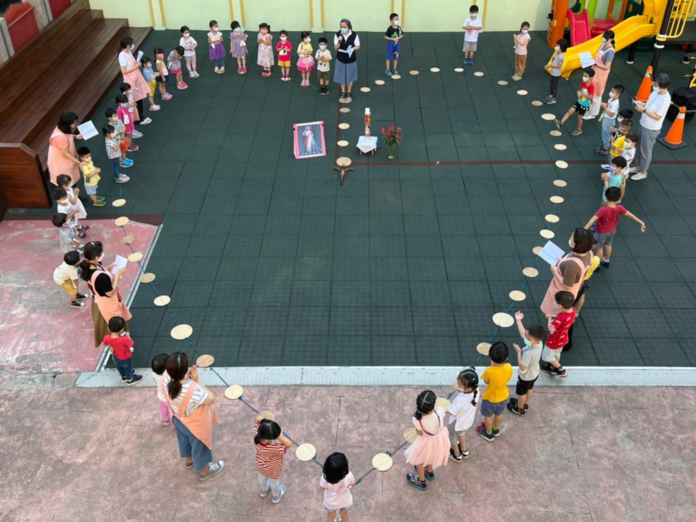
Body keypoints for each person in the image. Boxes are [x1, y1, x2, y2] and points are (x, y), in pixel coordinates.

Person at [163, 352, 225, 480]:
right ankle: (204, 470)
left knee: (184, 440)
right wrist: (197, 380)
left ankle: (189, 460)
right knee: (199, 446)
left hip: (178, 419)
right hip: (194, 424)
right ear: (185, 370)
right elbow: (210, 399)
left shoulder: (165, 379)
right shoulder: (193, 389)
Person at [79, 241, 131, 347]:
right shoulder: (101, 277)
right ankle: (120, 343)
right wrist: (118, 276)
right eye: (101, 254)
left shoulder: (90, 266)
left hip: (98, 300)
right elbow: (110, 293)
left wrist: (108, 268)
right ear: (96, 258)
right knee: (114, 323)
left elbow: (97, 276)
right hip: (107, 304)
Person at [585, 186, 646, 269]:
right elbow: (630, 215)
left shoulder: (603, 210)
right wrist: (640, 222)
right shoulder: (619, 208)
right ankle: (606, 260)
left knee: (599, 247)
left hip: (601, 231)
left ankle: (597, 264)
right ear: (618, 198)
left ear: (606, 197)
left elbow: (592, 220)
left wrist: (584, 229)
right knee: (608, 245)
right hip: (612, 231)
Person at [540, 228, 594, 319]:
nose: (570, 239)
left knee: (555, 316)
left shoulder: (572, 265)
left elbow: (567, 285)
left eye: (572, 238)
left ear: (576, 244)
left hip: (562, 294)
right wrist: (563, 262)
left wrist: (554, 271)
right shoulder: (589, 253)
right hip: (577, 288)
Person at [404, 390, 450, 491]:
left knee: (419, 461)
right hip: (440, 441)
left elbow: (419, 433)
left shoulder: (418, 420)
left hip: (426, 443)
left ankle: (421, 482)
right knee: (431, 456)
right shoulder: (439, 412)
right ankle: (429, 472)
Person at [631, 73, 671, 181]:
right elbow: (649, 104)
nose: (654, 86)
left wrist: (644, 110)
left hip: (651, 128)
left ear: (663, 86)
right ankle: (638, 166)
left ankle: (643, 172)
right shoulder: (655, 92)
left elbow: (658, 117)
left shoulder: (665, 99)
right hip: (643, 123)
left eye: (656, 85)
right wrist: (641, 104)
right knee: (638, 146)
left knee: (645, 150)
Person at [508, 312, 544, 415]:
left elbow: (523, 369)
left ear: (536, 341)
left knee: (521, 393)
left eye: (528, 339)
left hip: (525, 377)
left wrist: (519, 353)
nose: (525, 339)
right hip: (534, 373)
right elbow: (523, 334)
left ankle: (519, 408)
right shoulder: (539, 343)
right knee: (529, 388)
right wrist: (518, 321)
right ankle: (525, 404)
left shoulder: (528, 354)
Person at [476, 342, 513, 442]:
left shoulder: (489, 371)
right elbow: (508, 377)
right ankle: (495, 429)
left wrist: (489, 368)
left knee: (487, 416)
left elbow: (486, 381)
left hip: (490, 398)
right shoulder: (509, 367)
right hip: (503, 396)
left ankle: (488, 433)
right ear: (506, 358)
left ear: (491, 357)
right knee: (499, 414)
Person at [254, 413, 292, 502]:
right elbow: (289, 444)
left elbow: (258, 418)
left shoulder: (257, 433)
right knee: (274, 481)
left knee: (261, 478)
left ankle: (264, 491)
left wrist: (266, 422)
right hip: (273, 467)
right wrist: (280, 436)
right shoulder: (274, 447)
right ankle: (276, 496)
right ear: (270, 439)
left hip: (261, 464)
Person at [541, 291, 576, 377]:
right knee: (557, 353)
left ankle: (560, 369)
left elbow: (551, 329)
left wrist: (549, 318)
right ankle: (553, 366)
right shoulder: (573, 310)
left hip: (554, 340)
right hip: (563, 338)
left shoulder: (561, 317)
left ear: (560, 306)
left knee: (547, 356)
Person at [118, 36, 151, 126]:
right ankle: (137, 119)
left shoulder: (128, 52)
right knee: (134, 99)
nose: (133, 45)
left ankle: (141, 116)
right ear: (128, 45)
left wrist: (136, 64)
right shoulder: (122, 56)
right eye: (131, 44)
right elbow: (124, 71)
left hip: (136, 77)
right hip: (130, 79)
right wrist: (136, 66)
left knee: (139, 98)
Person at [447, 367, 478, 462]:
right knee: (461, 432)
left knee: (452, 436)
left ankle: (457, 454)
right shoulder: (476, 390)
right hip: (465, 421)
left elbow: (451, 412)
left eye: (459, 383)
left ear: (467, 387)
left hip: (456, 422)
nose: (457, 382)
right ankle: (464, 450)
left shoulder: (460, 399)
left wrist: (446, 406)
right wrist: (457, 386)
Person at [555, 68, 595, 136]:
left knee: (579, 117)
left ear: (591, 77)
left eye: (586, 76)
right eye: (583, 75)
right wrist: (578, 92)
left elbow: (591, 97)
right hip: (580, 101)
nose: (584, 77)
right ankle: (561, 123)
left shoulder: (591, 86)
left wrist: (583, 94)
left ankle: (579, 129)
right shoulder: (583, 83)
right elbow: (580, 90)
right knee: (570, 111)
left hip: (586, 104)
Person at [47, 112, 83, 187]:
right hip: (61, 163)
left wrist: (75, 136)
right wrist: (78, 162)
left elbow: (68, 136)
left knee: (71, 180)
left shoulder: (60, 128)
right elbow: (65, 153)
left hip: (63, 160)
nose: (76, 124)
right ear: (67, 124)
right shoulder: (61, 137)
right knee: (67, 183)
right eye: (74, 123)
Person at [104, 316, 142, 385]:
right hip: (125, 357)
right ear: (121, 330)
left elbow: (106, 344)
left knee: (119, 367)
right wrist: (128, 336)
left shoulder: (107, 337)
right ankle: (130, 379)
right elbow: (131, 343)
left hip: (116, 356)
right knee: (128, 368)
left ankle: (124, 377)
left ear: (108, 328)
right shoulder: (124, 339)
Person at [587, 30, 615, 119]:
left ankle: (593, 114)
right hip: (594, 72)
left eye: (606, 38)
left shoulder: (610, 51)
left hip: (600, 75)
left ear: (611, 39)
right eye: (604, 37)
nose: (603, 39)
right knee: (590, 91)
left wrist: (595, 64)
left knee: (597, 95)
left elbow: (607, 66)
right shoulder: (602, 45)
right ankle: (589, 109)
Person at [320, 452, 355, 522]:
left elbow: (323, 488)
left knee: (331, 516)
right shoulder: (349, 475)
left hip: (330, 503)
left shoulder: (324, 478)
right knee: (344, 515)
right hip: (345, 501)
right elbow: (352, 485)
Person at [334, 19, 361, 102]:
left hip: (351, 59)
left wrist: (352, 49)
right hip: (340, 58)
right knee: (341, 76)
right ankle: (343, 92)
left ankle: (349, 92)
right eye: (341, 27)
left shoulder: (354, 35)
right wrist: (339, 41)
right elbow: (335, 48)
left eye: (344, 27)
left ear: (349, 26)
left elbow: (358, 46)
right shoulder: (337, 35)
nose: (343, 28)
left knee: (351, 76)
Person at [594, 84, 623, 155]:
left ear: (617, 95)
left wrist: (605, 107)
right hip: (606, 119)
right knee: (605, 134)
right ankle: (605, 145)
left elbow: (611, 114)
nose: (611, 93)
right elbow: (608, 105)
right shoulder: (611, 99)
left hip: (609, 120)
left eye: (612, 92)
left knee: (605, 135)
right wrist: (604, 105)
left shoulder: (615, 104)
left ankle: (605, 149)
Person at [544, 38, 567, 104]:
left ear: (562, 47)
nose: (556, 47)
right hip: (553, 73)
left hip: (556, 74)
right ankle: (550, 96)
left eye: (557, 46)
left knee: (554, 86)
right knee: (552, 85)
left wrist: (550, 66)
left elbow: (559, 66)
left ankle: (553, 99)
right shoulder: (557, 53)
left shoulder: (561, 56)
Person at [151, 353, 172, 426]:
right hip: (170, 399)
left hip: (160, 397)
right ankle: (174, 422)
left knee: (163, 410)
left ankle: (165, 420)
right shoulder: (169, 376)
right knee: (172, 411)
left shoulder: (154, 374)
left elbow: (155, 381)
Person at [384, 12, 404, 77]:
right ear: (391, 21)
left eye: (398, 19)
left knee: (396, 55)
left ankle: (395, 68)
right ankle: (387, 69)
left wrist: (398, 38)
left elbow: (402, 35)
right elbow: (385, 37)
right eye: (395, 19)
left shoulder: (399, 28)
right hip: (391, 43)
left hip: (397, 44)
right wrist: (392, 39)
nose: (397, 21)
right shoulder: (389, 29)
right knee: (389, 56)